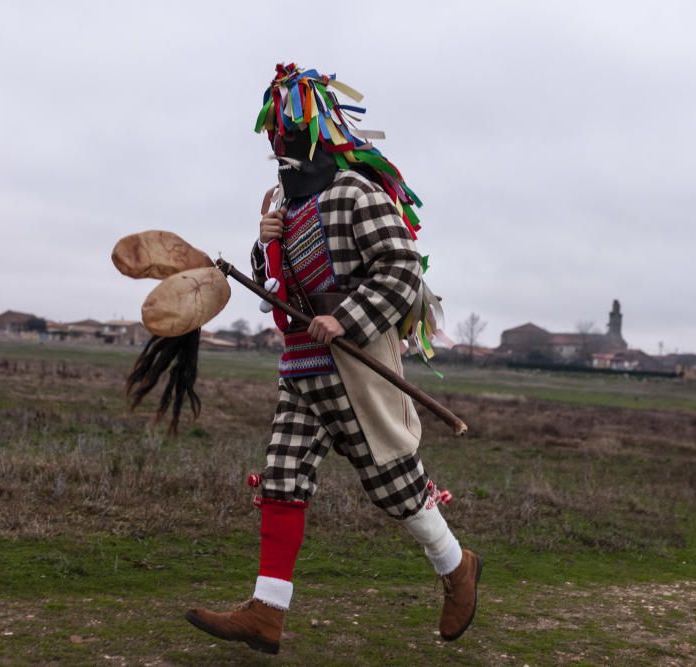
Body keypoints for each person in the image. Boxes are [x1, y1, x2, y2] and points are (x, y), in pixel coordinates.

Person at [185, 63, 481, 655]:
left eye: (290, 130)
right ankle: (267, 611)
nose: (281, 143)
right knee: (283, 477)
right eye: (276, 133)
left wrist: (344, 318)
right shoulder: (284, 207)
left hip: (355, 368)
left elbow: (401, 269)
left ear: (316, 129)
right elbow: (277, 286)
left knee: (395, 488)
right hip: (300, 369)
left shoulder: (354, 192)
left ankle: (456, 569)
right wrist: (263, 238)